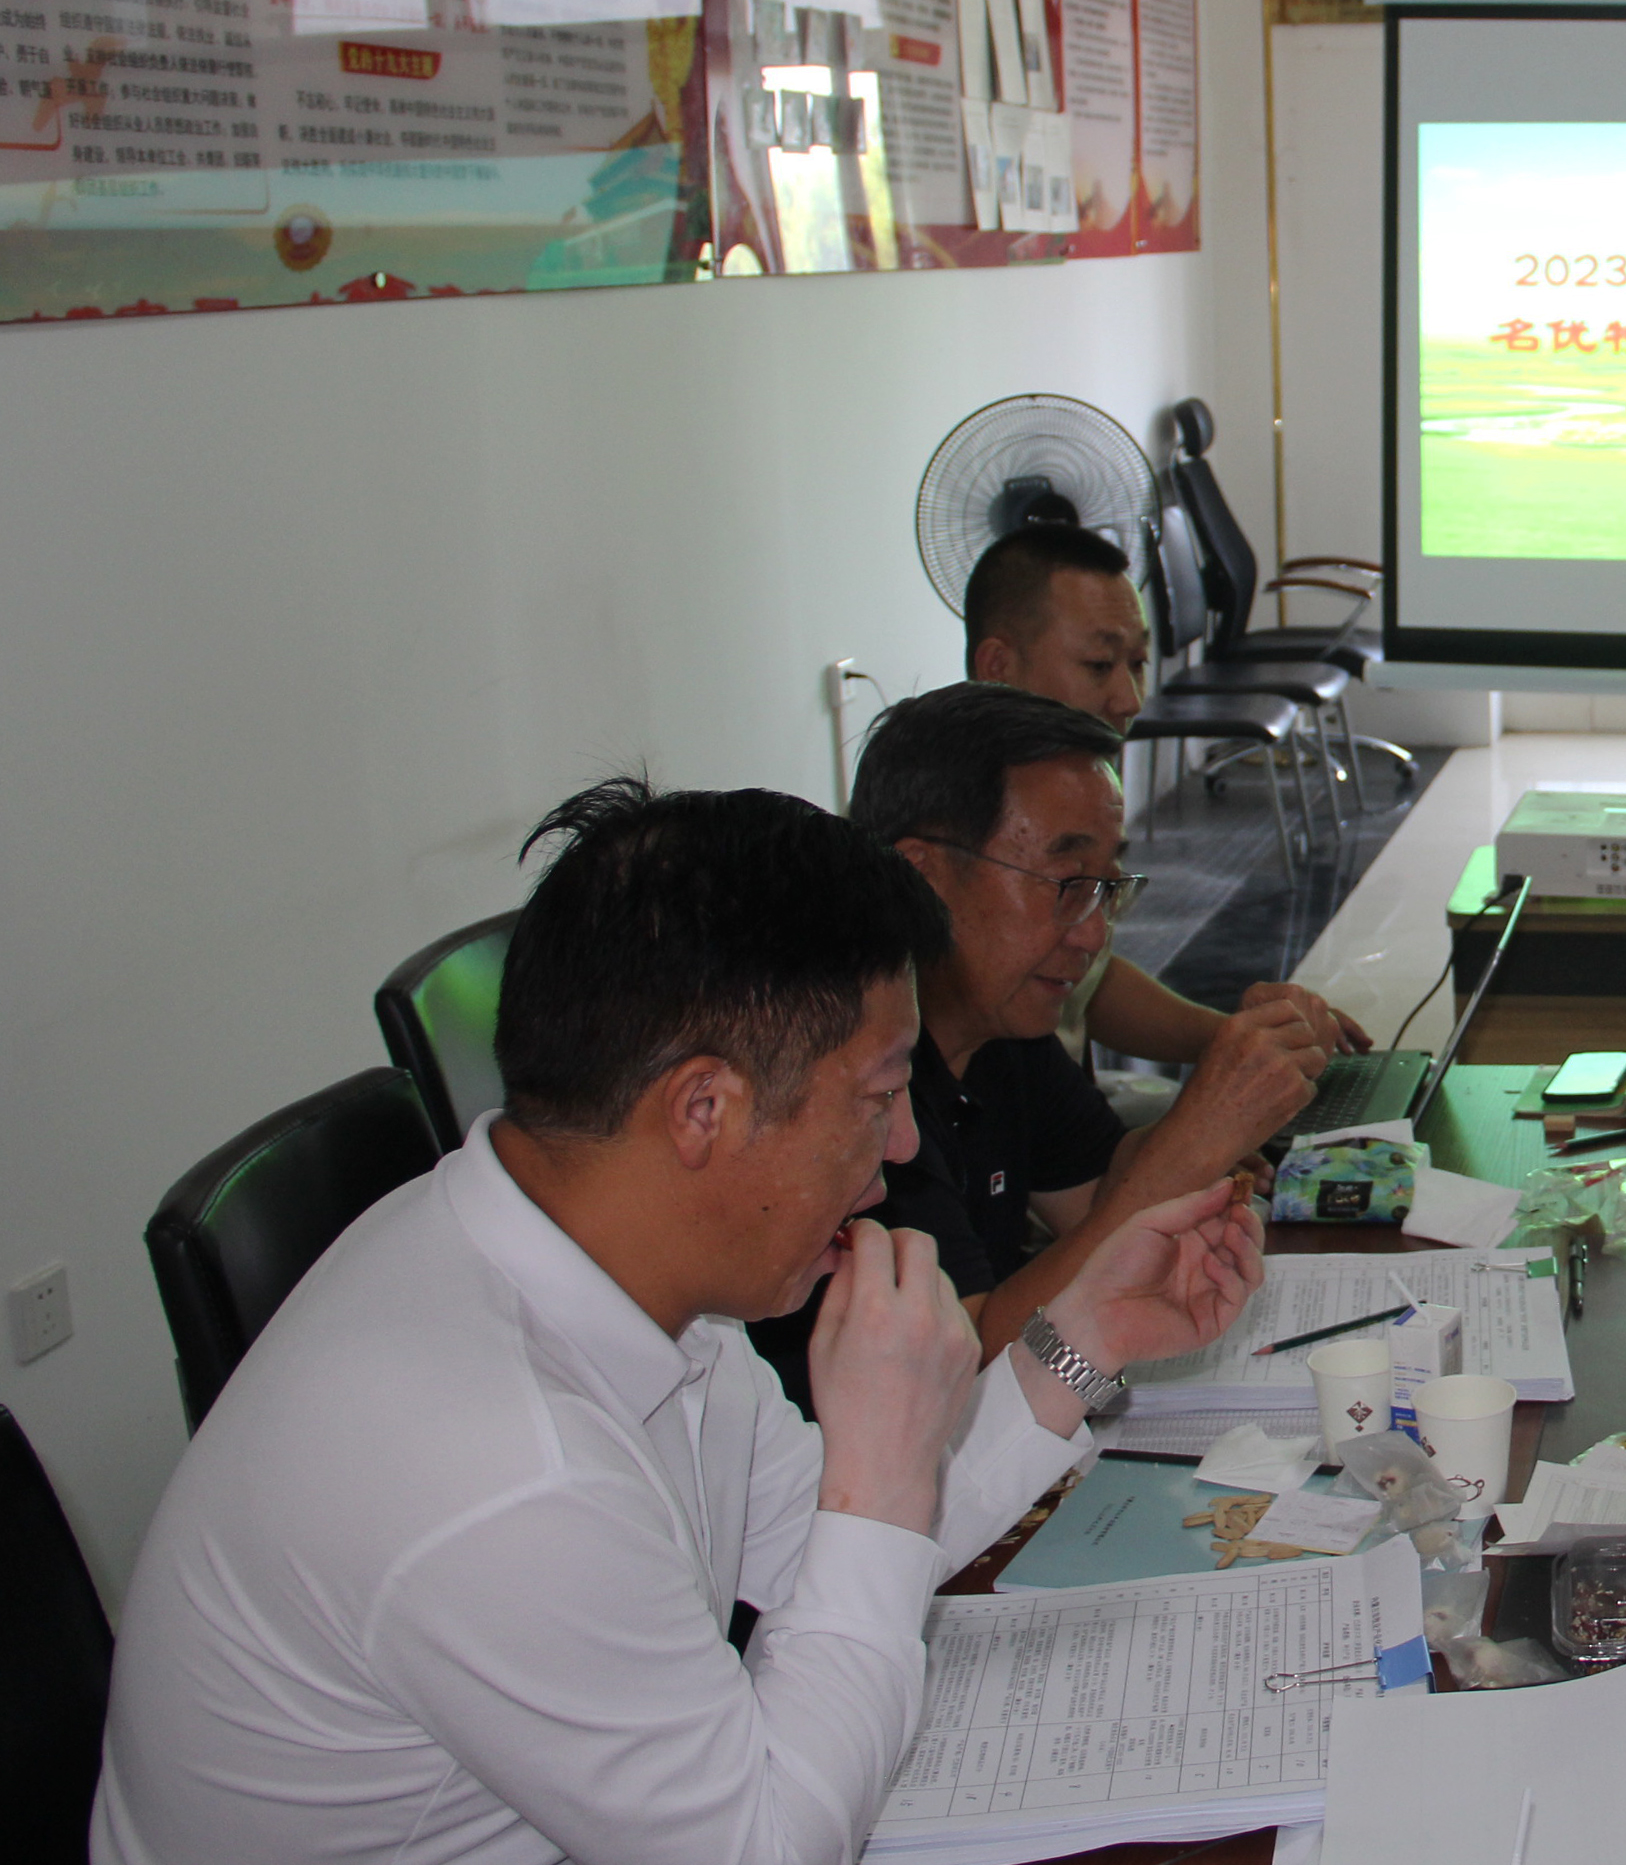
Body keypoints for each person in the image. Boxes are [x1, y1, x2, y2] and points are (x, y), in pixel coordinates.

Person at [94, 781, 1266, 1865]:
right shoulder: (502, 1466)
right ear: (704, 1108)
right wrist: (873, 1475)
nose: (906, 1144)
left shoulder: (611, 1258)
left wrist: (1087, 1340)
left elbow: (823, 1548)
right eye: (877, 1096)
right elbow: (762, 1845)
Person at [847, 680, 1320, 1358]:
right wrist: (1192, 1141)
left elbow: (1098, 1203)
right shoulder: (857, 1087)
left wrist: (1231, 1104)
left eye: (1107, 888)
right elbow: (972, 1361)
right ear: (922, 877)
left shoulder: (1003, 1032)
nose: (1095, 935)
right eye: (1069, 885)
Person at [961, 521, 1366, 1067]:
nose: (1129, 700)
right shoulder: (955, 826)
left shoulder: (1073, 790)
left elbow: (1091, 982)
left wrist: (1241, 1038)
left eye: (1137, 664)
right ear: (997, 666)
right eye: (1099, 666)